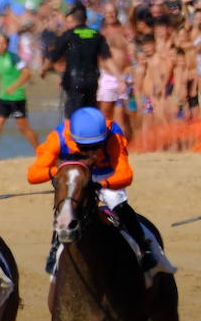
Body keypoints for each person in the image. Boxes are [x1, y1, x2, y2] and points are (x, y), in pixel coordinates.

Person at [26, 106, 172, 276]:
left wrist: (103, 184)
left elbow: (126, 175)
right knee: (66, 206)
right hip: (75, 174)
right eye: (84, 147)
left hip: (105, 175)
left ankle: (144, 247)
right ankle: (54, 249)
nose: (91, 152)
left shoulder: (113, 134)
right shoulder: (57, 138)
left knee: (118, 203)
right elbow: (32, 175)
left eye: (96, 146)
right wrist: (59, 171)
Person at [41, 4, 111, 116]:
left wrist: (43, 70)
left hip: (74, 81)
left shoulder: (68, 35)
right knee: (90, 113)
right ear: (85, 19)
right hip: (92, 81)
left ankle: (72, 132)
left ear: (73, 20)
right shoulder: (96, 35)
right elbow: (107, 58)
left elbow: (52, 56)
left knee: (73, 114)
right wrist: (118, 77)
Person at [0, 32, 38, 158]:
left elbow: (27, 73)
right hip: (3, 98)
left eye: (3, 43)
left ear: (7, 44)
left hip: (17, 98)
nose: (1, 46)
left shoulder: (13, 57)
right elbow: (5, 79)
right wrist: (0, 94)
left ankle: (40, 152)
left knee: (23, 128)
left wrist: (14, 87)